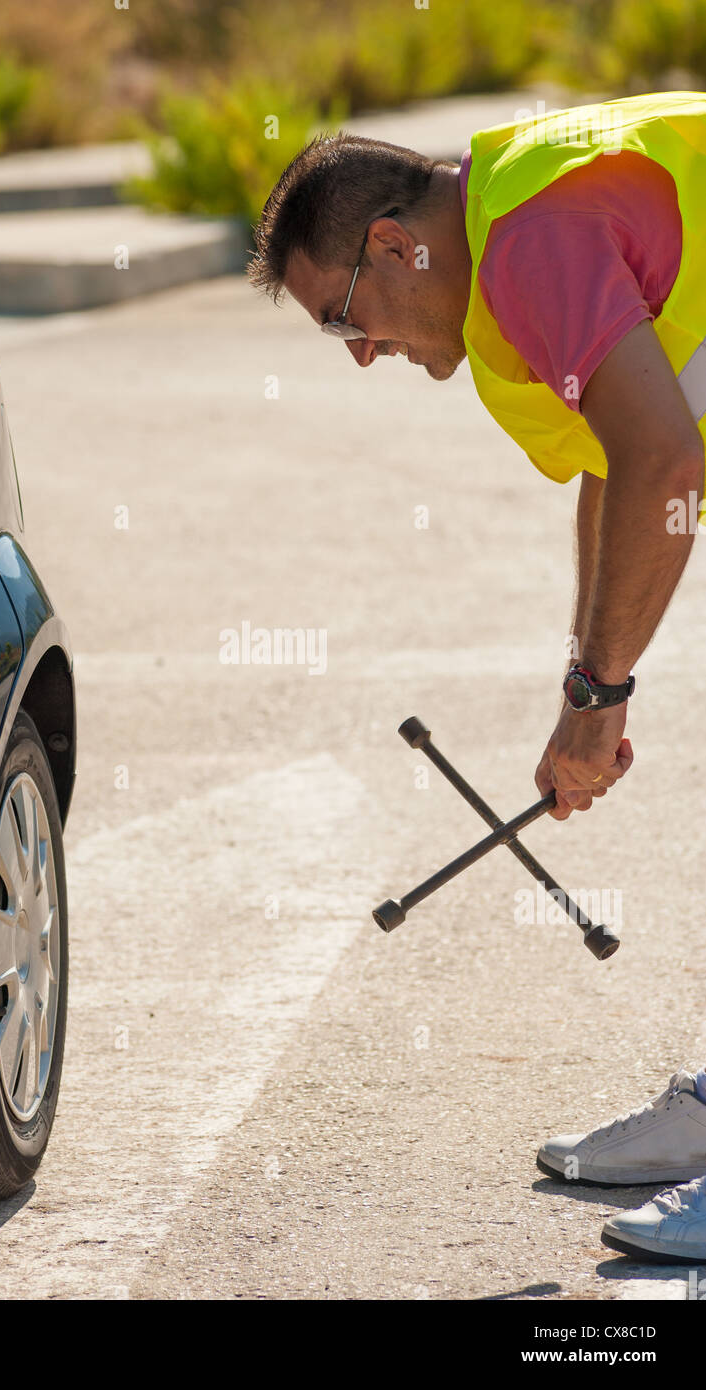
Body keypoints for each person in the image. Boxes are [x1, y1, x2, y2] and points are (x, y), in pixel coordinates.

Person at [248, 92, 706, 1263]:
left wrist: (596, 703)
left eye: (341, 315)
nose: (359, 353)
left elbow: (668, 462)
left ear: (397, 246)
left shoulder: (528, 243)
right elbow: (621, 460)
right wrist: (588, 688)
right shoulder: (512, 228)